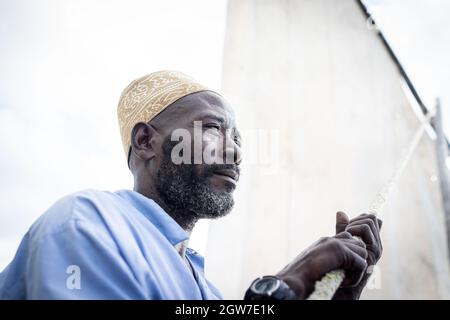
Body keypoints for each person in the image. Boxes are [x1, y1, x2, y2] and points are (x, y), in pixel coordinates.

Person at [0, 71, 382, 299]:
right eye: (214, 129)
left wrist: (336, 293)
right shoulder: (88, 225)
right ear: (146, 142)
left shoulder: (205, 289)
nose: (233, 153)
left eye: (239, 141)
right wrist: (281, 286)